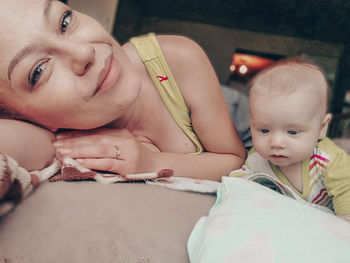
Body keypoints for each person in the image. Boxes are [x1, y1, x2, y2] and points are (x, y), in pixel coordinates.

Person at [0, 0, 246, 181]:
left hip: (196, 91)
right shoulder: (44, 132)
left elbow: (234, 160)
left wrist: (150, 161)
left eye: (64, 21)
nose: (84, 53)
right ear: (20, 117)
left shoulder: (178, 56)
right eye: (38, 71)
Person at [229, 60, 350, 221]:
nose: (276, 143)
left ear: (322, 128)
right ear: (252, 124)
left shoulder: (330, 161)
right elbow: (238, 179)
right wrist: (241, 182)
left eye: (292, 132)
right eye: (264, 130)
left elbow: (346, 195)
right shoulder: (258, 158)